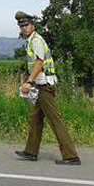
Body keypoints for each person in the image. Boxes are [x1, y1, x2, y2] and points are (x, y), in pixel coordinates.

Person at [14, 11, 81, 165]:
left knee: (55, 121)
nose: (23, 28)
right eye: (21, 26)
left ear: (33, 26)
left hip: (45, 87)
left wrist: (29, 82)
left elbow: (39, 63)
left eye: (26, 25)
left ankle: (71, 156)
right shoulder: (32, 41)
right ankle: (30, 152)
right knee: (35, 119)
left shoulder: (36, 40)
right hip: (41, 86)